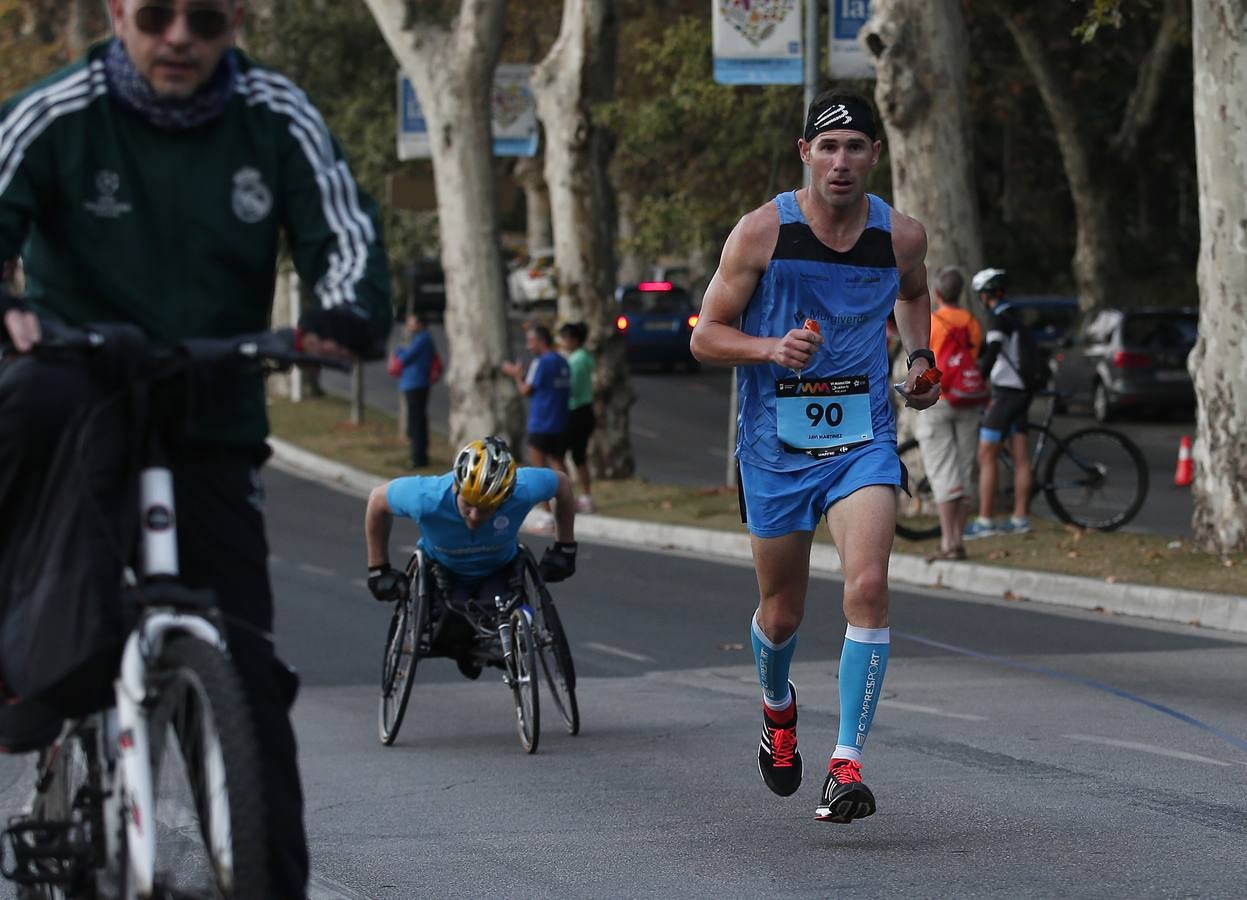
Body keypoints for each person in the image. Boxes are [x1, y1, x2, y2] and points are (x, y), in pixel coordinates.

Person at [0, 2, 391, 895]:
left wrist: (343, 312)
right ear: (115, 15)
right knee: (25, 418)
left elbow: (345, 235)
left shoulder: (275, 114)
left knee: (248, 681)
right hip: (82, 396)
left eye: (207, 17)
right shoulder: (57, 112)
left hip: (213, 406)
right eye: (156, 14)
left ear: (239, 21)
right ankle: (25, 670)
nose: (180, 36)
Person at [690, 90, 940, 824]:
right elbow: (705, 335)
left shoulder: (901, 236)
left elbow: (914, 294)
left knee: (865, 582)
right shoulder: (762, 231)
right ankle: (776, 710)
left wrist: (920, 357)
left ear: (873, 156)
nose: (840, 161)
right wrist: (768, 348)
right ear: (805, 154)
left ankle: (845, 764)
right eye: (826, 148)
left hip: (859, 438)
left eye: (855, 147)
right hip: (775, 446)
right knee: (781, 610)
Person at [363, 437, 578, 678]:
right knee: (451, 628)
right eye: (468, 505)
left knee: (505, 620)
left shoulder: (523, 489)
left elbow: (562, 484)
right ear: (456, 487)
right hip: (443, 575)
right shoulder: (426, 498)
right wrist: (378, 568)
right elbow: (377, 501)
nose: (475, 516)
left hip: (499, 571)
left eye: (486, 508)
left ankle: (494, 645)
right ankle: (467, 647)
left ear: (506, 497)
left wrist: (565, 547)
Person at [914, 266, 984, 560]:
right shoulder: (971, 321)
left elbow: (923, 361)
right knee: (965, 466)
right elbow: (975, 355)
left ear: (938, 293)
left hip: (939, 398)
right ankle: (960, 539)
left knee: (943, 468)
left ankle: (948, 541)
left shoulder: (930, 322)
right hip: (968, 399)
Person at [964, 268, 1035, 539]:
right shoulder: (1015, 314)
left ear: (984, 295)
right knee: (1021, 457)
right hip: (1023, 391)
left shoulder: (998, 319)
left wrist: (977, 379)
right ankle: (1020, 518)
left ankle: (985, 521)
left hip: (1006, 393)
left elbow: (992, 352)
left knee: (987, 454)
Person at [501, 323, 570, 475]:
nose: (528, 346)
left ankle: (544, 499)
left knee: (539, 471)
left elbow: (526, 390)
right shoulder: (562, 361)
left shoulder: (540, 362)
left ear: (541, 341)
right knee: (558, 463)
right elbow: (545, 385)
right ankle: (566, 497)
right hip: (560, 423)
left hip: (541, 424)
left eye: (531, 341)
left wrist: (517, 375)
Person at [558, 321, 597, 513]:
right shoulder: (584, 358)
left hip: (576, 411)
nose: (562, 342)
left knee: (560, 455)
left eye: (564, 338)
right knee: (578, 457)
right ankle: (585, 496)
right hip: (585, 410)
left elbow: (569, 387)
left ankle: (571, 497)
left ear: (574, 340)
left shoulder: (576, 361)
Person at [395, 312, 436, 468]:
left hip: (416, 384)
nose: (409, 326)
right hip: (414, 383)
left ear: (419, 323)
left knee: (416, 421)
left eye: (411, 323)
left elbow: (404, 357)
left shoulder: (422, 339)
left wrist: (399, 350)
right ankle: (418, 454)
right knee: (416, 420)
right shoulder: (419, 339)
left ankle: (417, 457)